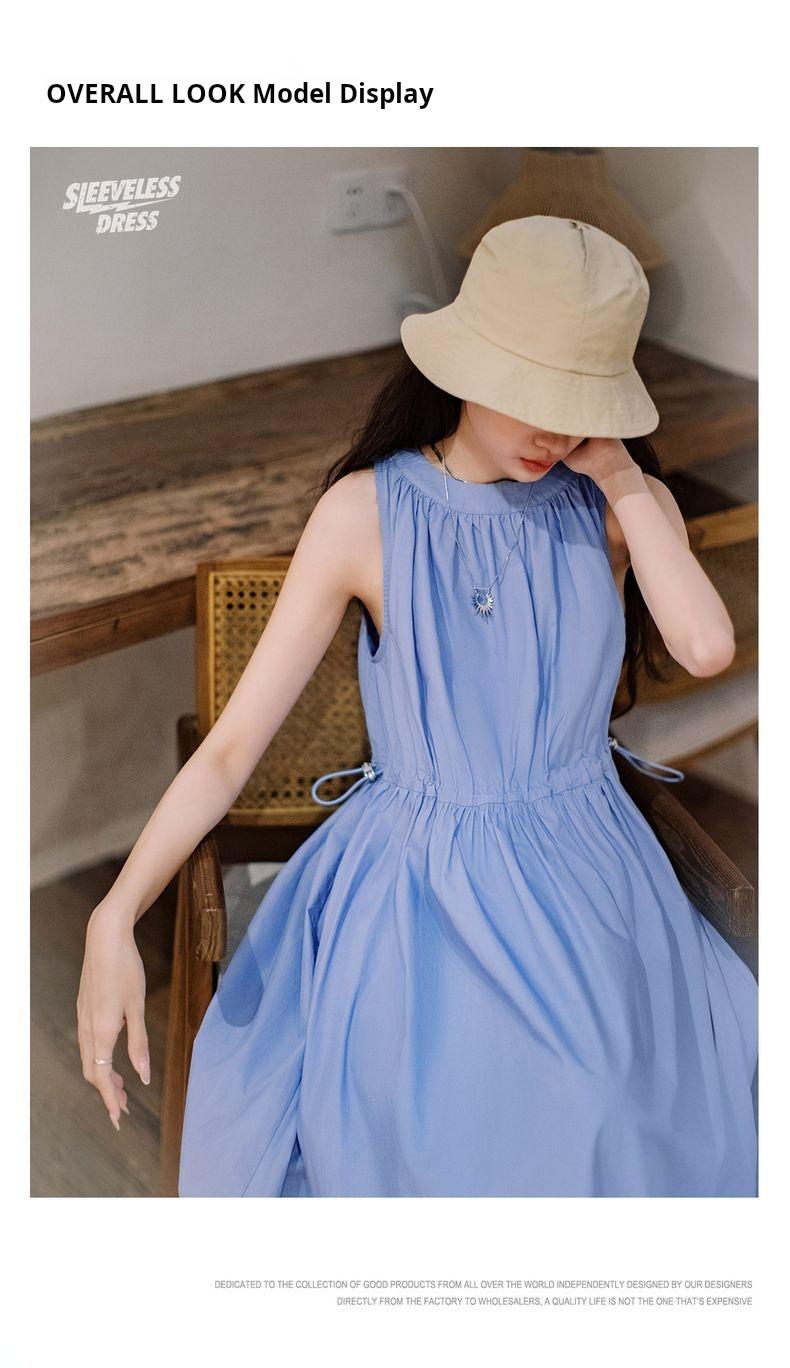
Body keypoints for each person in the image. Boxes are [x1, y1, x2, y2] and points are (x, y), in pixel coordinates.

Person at [77, 216, 757, 1196]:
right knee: (454, 1137)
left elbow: (706, 645)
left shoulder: (611, 504)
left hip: (590, 867)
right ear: (467, 362)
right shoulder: (364, 514)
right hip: (422, 887)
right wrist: (114, 913)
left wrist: (618, 469)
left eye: (577, 401)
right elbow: (228, 752)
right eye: (531, 393)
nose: (552, 430)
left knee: (602, 1106)